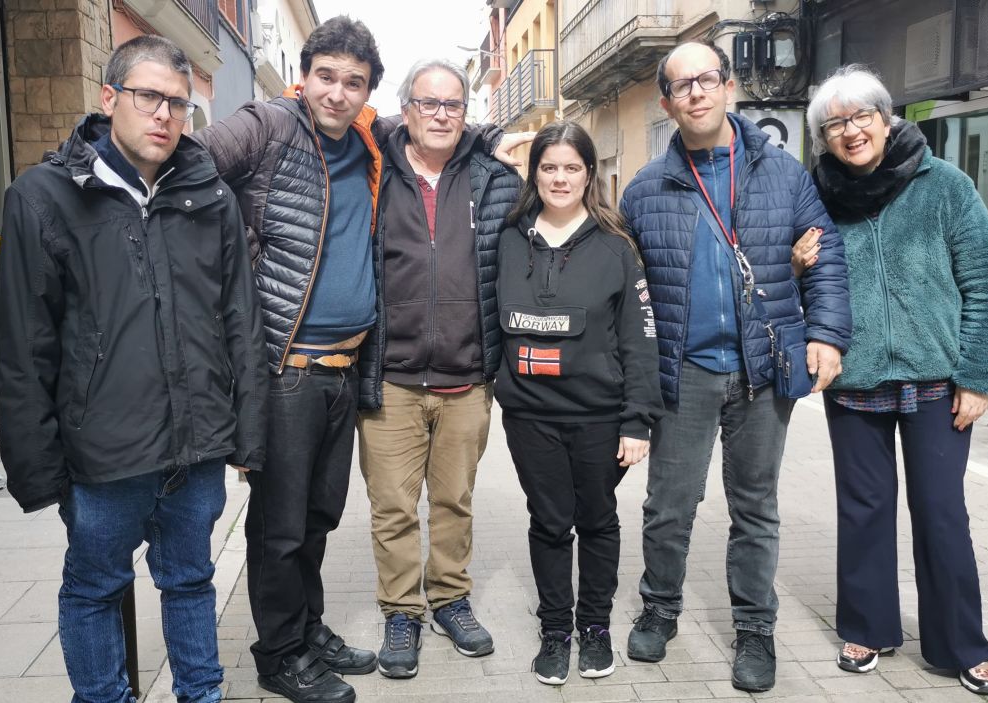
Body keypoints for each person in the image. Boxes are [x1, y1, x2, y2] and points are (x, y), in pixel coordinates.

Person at [194, 18, 525, 703]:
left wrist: (495, 135)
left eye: (353, 82)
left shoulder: (368, 144)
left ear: (370, 93)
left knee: (316, 518)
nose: (339, 93)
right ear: (303, 75)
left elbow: (456, 128)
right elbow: (187, 162)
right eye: (326, 77)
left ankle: (308, 630)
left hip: (345, 370)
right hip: (287, 369)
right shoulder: (272, 126)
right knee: (281, 524)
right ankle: (279, 653)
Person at [0, 35, 267, 703]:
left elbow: (242, 319)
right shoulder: (44, 196)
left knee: (191, 580)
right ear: (110, 98)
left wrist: (248, 434)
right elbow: (24, 347)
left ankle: (201, 693)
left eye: (178, 103)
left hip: (196, 446)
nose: (165, 115)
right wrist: (38, 466)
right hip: (103, 457)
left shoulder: (209, 194)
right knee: (93, 588)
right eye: (149, 97)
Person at [618, 41, 852, 693]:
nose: (695, 92)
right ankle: (660, 607)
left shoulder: (783, 174)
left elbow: (824, 254)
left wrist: (828, 332)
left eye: (706, 79)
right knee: (669, 504)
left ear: (728, 88)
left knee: (755, 506)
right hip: (683, 372)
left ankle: (754, 627)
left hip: (762, 366)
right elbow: (624, 288)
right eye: (680, 85)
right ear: (666, 102)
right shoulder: (645, 189)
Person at [803, 65, 988, 697]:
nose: (850, 131)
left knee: (942, 514)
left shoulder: (942, 183)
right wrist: (793, 263)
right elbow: (795, 287)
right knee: (864, 512)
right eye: (834, 123)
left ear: (886, 117)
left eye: (860, 116)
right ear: (823, 136)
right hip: (856, 381)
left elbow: (987, 284)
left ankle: (960, 644)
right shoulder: (815, 194)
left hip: (935, 382)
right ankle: (869, 627)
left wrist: (978, 377)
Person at [355, 59, 521, 678]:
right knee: (392, 506)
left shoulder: (492, 175)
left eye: (454, 104)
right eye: (429, 103)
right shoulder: (373, 171)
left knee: (455, 499)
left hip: (468, 377)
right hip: (390, 379)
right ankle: (401, 610)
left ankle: (449, 598)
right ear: (407, 109)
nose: (442, 114)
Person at [495, 121, 664, 686]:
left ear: (589, 174)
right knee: (548, 522)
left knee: (595, 521)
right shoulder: (509, 237)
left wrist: (638, 420)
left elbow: (641, 341)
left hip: (598, 417)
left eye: (571, 167)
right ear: (534, 172)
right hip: (529, 416)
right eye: (549, 167)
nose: (559, 177)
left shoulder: (617, 248)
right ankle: (554, 630)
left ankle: (593, 628)